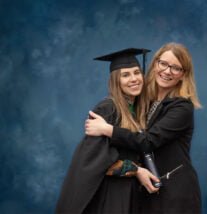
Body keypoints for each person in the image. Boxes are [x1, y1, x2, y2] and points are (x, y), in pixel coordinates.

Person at [86, 42, 202, 214]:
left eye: (176, 68)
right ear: (155, 63)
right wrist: (135, 170)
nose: (167, 71)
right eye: (163, 64)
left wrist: (107, 129)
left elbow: (148, 141)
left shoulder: (182, 107)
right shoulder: (145, 101)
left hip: (175, 193)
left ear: (183, 75)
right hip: (147, 189)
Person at [56, 48, 160, 214]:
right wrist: (137, 170)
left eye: (136, 72)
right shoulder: (107, 110)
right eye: (125, 75)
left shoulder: (137, 109)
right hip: (110, 195)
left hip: (131, 193)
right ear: (115, 81)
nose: (134, 79)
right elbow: (96, 161)